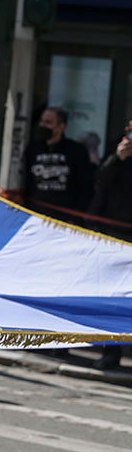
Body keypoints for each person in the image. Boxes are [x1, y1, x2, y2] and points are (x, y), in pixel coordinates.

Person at [89, 120, 132, 369]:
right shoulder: (120, 150)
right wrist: (117, 158)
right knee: (113, 295)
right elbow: (100, 180)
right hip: (114, 232)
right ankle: (110, 352)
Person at [22, 107, 94, 223]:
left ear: (61, 127)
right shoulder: (32, 149)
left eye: (48, 122)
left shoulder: (76, 151)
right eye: (42, 121)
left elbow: (86, 187)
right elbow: (27, 182)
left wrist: (76, 216)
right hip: (36, 217)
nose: (43, 125)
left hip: (66, 220)